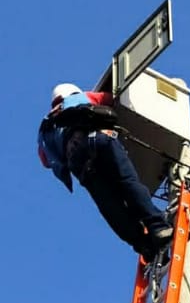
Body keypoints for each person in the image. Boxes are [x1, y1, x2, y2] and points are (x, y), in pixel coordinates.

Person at [37, 82, 174, 259]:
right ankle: (158, 227)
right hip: (98, 141)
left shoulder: (45, 129)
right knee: (128, 184)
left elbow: (46, 161)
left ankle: (143, 245)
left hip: (81, 166)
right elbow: (113, 99)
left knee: (111, 207)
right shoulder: (82, 97)